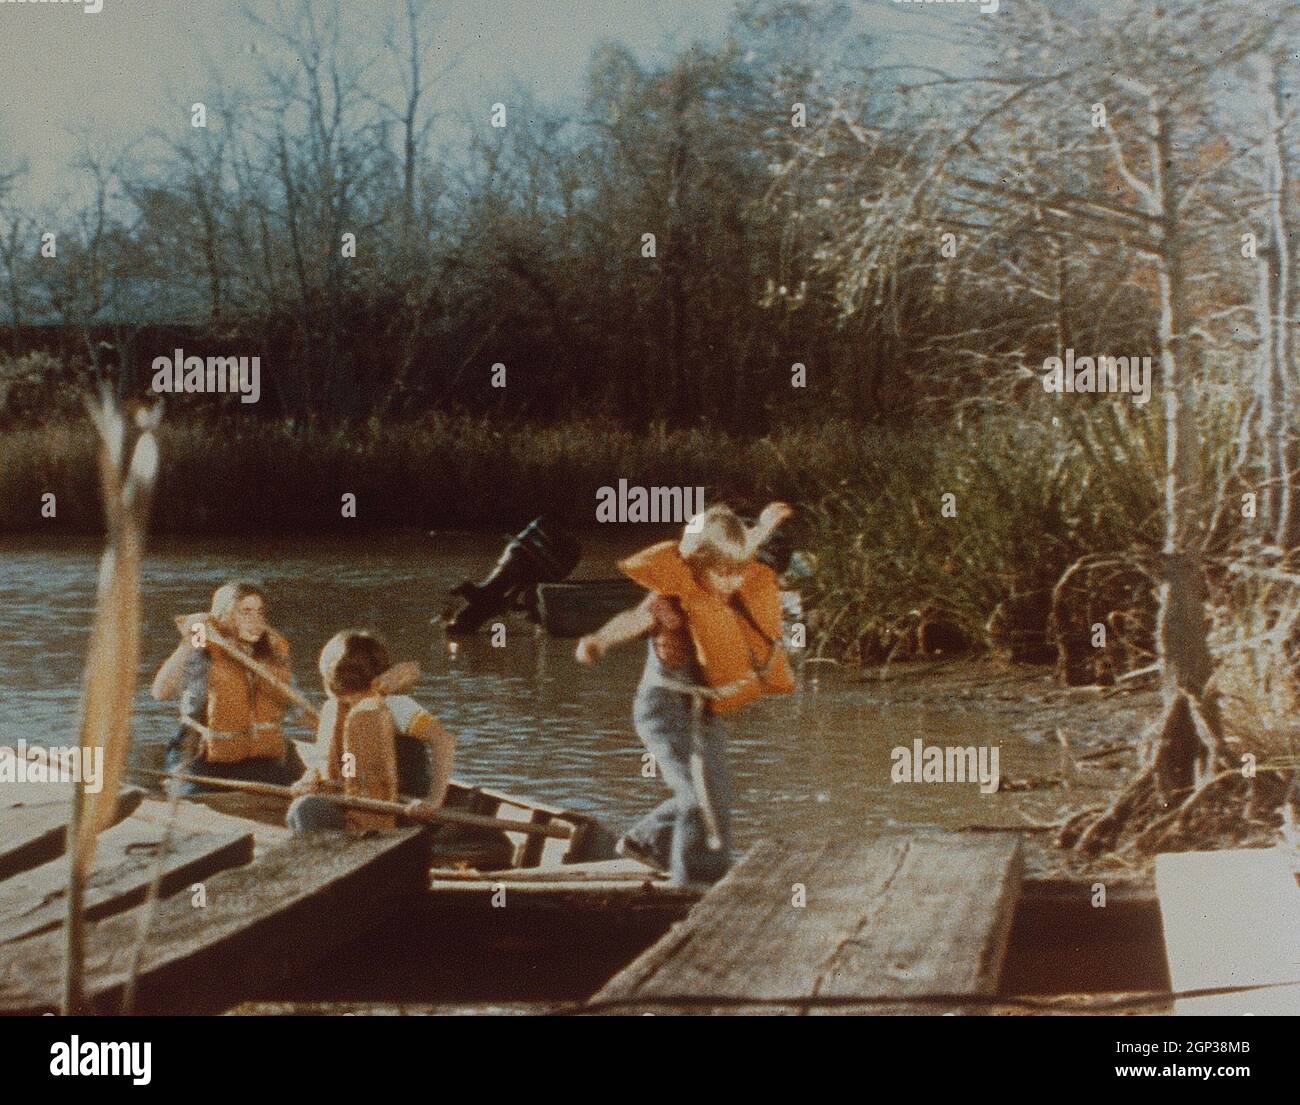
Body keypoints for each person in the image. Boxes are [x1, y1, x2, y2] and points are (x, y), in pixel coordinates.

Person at [575, 502, 795, 889]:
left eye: (739, 571)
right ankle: (696, 884)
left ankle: (645, 841)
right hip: (663, 708)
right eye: (723, 573)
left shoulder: (727, 580)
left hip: (703, 711)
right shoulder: (667, 601)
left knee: (717, 798)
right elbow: (634, 620)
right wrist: (600, 639)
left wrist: (763, 526)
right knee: (697, 797)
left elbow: (737, 549)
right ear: (694, 565)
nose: (732, 581)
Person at [287, 630, 455, 833]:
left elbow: (443, 741)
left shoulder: (395, 705)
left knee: (304, 809)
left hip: (404, 811)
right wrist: (309, 778)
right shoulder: (334, 709)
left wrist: (434, 800)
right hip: (353, 804)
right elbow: (329, 761)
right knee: (299, 810)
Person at [151, 580, 305, 793]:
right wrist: (187, 643)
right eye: (245, 612)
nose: (256, 620)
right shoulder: (202, 652)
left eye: (260, 612)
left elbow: (298, 709)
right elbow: (160, 692)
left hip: (253, 758)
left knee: (300, 791)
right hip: (199, 755)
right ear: (223, 616)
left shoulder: (271, 655)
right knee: (195, 798)